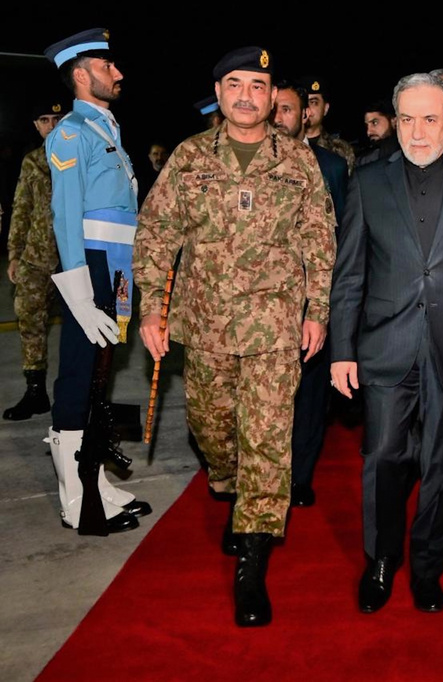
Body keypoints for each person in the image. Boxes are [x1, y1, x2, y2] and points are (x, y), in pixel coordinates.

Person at [134, 46, 336, 627]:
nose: (247, 95)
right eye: (235, 84)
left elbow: (319, 240)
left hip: (274, 328)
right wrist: (153, 310)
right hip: (205, 325)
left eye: (259, 85)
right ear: (219, 91)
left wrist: (316, 308)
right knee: (213, 430)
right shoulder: (190, 157)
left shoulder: (297, 162)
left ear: (274, 97)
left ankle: (252, 561)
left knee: (269, 442)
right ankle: (229, 487)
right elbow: (155, 233)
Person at [330, 72, 443, 616]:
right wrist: (343, 349)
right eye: (406, 119)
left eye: (430, 119)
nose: (416, 132)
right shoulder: (367, 180)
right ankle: (382, 559)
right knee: (383, 456)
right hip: (386, 346)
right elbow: (349, 275)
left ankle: (429, 565)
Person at [42, 28, 150, 534]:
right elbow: (65, 215)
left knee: (99, 377)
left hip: (117, 267)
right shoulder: (71, 133)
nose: (119, 73)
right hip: (91, 266)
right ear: (81, 75)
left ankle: (95, 480)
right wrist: (78, 287)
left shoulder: (107, 129)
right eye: (108, 67)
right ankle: (74, 498)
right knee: (79, 373)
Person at [272, 79, 348, 507]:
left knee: (310, 395)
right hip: (263, 306)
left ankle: (300, 475)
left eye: (288, 109)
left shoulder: (332, 168)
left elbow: (342, 239)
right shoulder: (252, 162)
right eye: (275, 108)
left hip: (311, 303)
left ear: (305, 115)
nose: (279, 116)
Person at [5, 99, 64, 421]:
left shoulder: (80, 158)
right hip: (36, 257)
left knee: (82, 329)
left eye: (57, 119)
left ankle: (80, 393)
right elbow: (21, 208)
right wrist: (14, 254)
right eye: (44, 120)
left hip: (73, 259)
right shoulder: (32, 162)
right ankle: (35, 391)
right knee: (29, 320)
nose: (51, 126)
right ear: (36, 125)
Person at [299, 76, 356, 173]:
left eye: (313, 102)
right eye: (304, 102)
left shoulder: (340, 150)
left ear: (325, 109)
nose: (307, 109)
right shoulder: (285, 146)